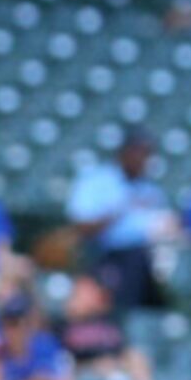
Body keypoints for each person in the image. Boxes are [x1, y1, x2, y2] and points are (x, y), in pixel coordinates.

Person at [65, 131, 178, 313]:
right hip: (103, 256)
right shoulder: (96, 181)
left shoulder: (151, 190)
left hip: (148, 258)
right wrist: (119, 211)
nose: (144, 160)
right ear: (124, 152)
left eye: (148, 154)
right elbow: (82, 227)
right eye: (139, 153)